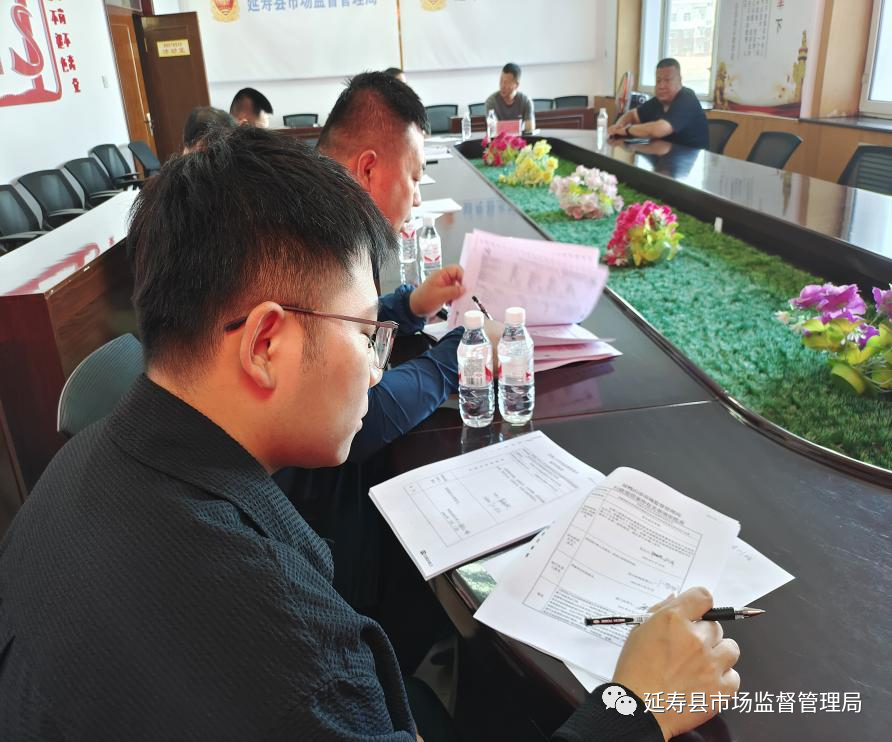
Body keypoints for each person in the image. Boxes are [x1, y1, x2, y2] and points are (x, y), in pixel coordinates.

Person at [0, 126, 741, 741]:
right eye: (365, 332)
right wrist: (635, 708)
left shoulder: (80, 466)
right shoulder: (292, 658)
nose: (376, 362)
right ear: (265, 344)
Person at [282, 72, 464, 659]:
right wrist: (452, 360)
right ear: (367, 169)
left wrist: (408, 307)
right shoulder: (313, 240)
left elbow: (340, 327)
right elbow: (356, 413)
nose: (416, 195)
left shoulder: (310, 208)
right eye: (413, 176)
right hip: (308, 520)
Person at [608, 58, 709, 150]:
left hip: (693, 159)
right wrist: (618, 126)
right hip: (666, 157)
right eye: (658, 81)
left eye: (667, 80)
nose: (661, 86)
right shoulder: (659, 100)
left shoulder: (687, 98)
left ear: (680, 80)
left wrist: (627, 130)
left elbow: (659, 130)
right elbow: (632, 114)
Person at [485, 62, 534, 133]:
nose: (502, 86)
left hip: (520, 139)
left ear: (516, 85)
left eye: (506, 82)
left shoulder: (526, 101)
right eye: (501, 81)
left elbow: (529, 130)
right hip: (499, 139)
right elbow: (492, 131)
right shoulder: (491, 101)